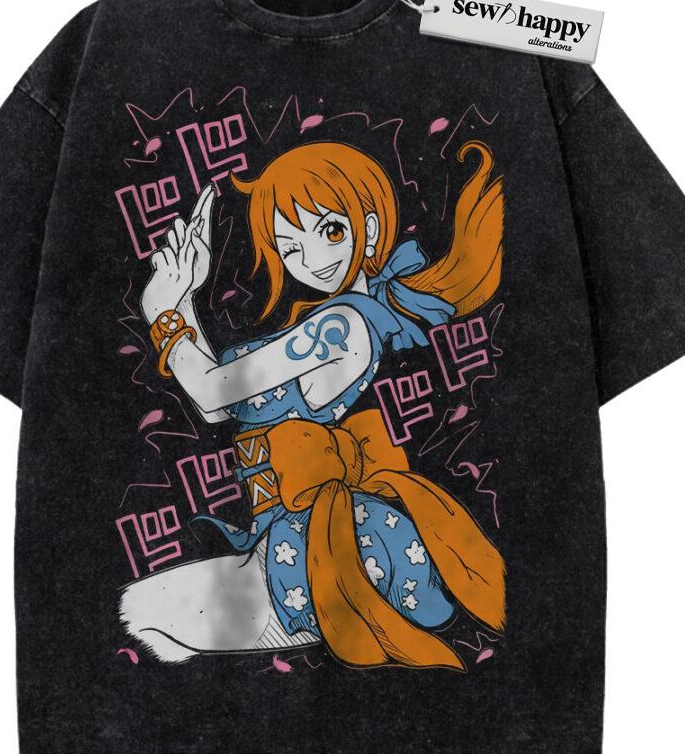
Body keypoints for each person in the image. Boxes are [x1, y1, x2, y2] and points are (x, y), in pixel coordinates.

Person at [119, 139, 506, 671]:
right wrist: (183, 299)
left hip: (315, 550)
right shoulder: (334, 319)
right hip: (290, 541)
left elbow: (211, 388)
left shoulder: (340, 324)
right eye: (290, 247)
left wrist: (160, 310)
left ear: (371, 230)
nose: (312, 259)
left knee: (137, 612)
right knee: (158, 635)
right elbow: (218, 410)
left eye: (329, 231)